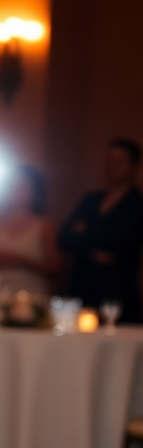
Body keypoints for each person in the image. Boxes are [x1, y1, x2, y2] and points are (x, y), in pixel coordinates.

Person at [57, 138, 143, 323]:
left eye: (119, 161)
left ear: (134, 166)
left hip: (116, 292)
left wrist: (85, 231)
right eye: (109, 160)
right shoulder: (91, 200)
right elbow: (65, 237)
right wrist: (92, 251)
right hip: (81, 288)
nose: (112, 166)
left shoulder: (137, 205)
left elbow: (122, 240)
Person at [0, 165, 61, 298]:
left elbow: (56, 268)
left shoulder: (44, 224)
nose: (16, 191)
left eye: (22, 186)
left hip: (33, 297)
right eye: (12, 186)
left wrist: (21, 261)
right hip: (0, 295)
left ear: (34, 190)